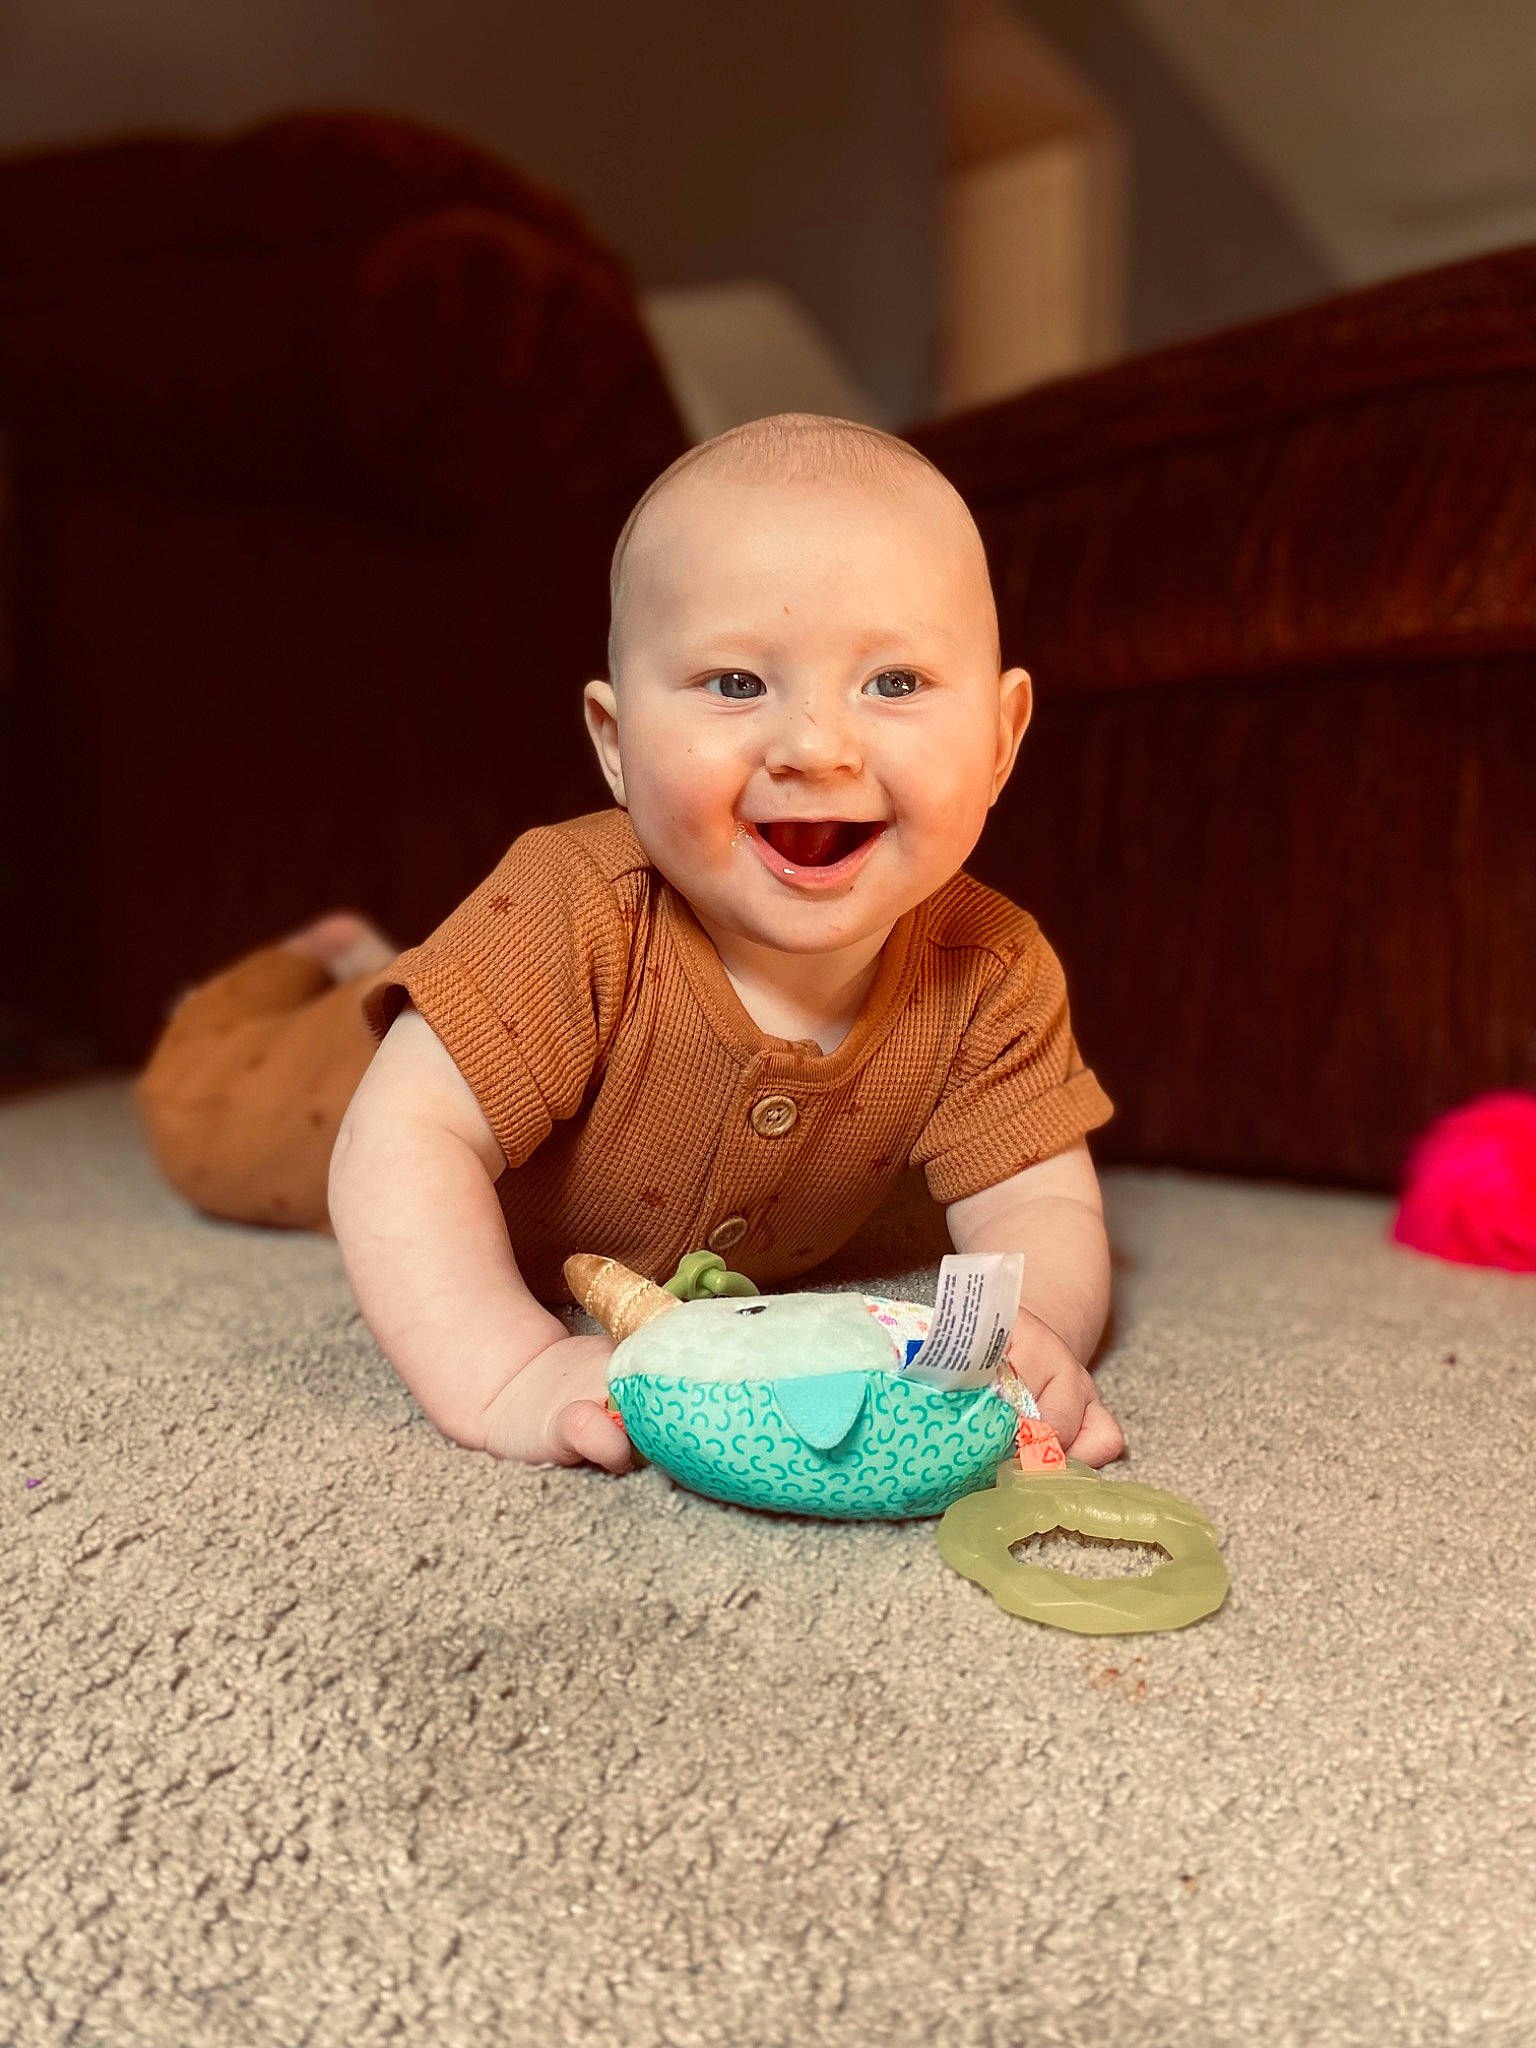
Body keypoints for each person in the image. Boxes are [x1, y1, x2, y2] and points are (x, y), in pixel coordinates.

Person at [135, 413, 1123, 1476]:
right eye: (738, 682)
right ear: (616, 744)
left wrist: (1036, 1332)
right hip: (341, 1085)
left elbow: (1039, 1198)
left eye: (894, 682)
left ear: (1003, 737)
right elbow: (397, 1149)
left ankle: (360, 954)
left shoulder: (991, 967)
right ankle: (302, 962)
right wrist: (507, 1368)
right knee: (203, 1105)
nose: (816, 748)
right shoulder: (575, 907)